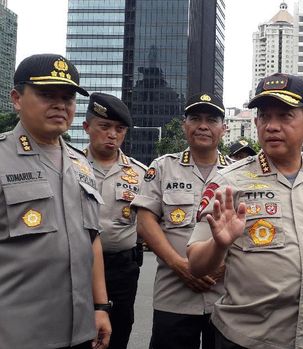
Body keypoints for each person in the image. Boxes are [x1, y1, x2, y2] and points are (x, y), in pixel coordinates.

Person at [186, 73, 303, 349]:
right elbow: (196, 264)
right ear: (255, 123)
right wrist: (219, 245)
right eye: (265, 117)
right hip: (244, 339)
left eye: (285, 116)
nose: (272, 126)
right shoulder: (228, 182)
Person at [1, 53, 111, 348]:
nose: (60, 105)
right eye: (47, 94)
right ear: (17, 98)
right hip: (16, 332)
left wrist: (101, 307)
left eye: (68, 98)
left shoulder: (81, 164)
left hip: (79, 329)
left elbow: (92, 238)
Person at [131, 92, 231, 349]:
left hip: (224, 296)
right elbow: (145, 221)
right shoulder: (163, 167)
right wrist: (180, 265)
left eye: (212, 119)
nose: (203, 126)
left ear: (224, 127)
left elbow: (249, 229)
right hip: (173, 294)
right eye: (195, 118)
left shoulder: (237, 172)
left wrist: (223, 267)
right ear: (184, 125)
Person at [82, 93, 147, 349]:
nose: (112, 134)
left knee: (119, 331)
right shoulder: (71, 166)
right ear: (87, 127)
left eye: (119, 129)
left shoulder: (140, 173)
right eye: (105, 126)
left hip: (122, 267)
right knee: (77, 333)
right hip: (77, 266)